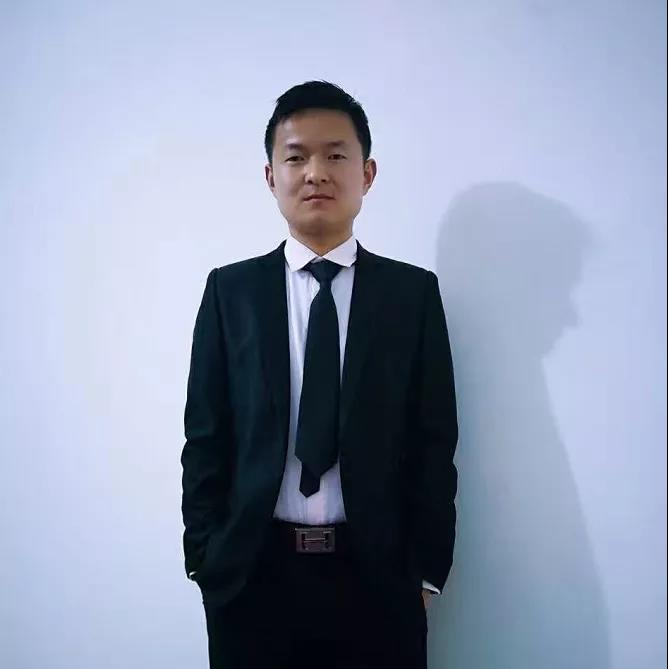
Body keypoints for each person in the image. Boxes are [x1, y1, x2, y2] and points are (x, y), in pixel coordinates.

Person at [180, 80, 459, 669]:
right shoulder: (230, 292)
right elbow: (205, 436)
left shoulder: (411, 295)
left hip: (378, 580)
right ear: (270, 176)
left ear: (367, 173)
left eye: (336, 155)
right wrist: (206, 559)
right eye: (296, 157)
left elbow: (434, 442)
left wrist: (425, 572)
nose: (316, 173)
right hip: (252, 577)